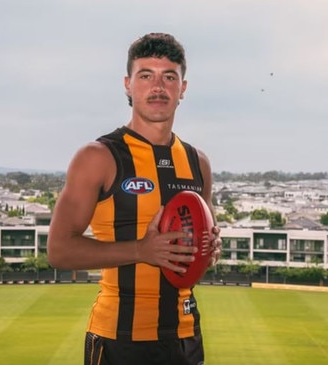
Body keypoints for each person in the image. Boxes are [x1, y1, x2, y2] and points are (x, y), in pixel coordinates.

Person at [47, 32, 221, 365]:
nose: (159, 87)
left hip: (185, 338)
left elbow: (196, 252)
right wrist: (142, 250)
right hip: (119, 340)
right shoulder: (98, 156)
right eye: (146, 76)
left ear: (182, 88)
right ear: (128, 84)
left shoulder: (198, 162)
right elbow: (59, 250)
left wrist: (209, 249)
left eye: (169, 77)